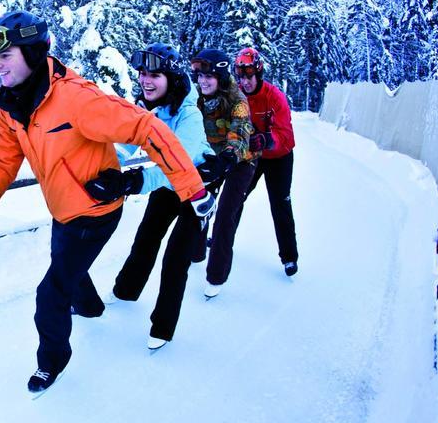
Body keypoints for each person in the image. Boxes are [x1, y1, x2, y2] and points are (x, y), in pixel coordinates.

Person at [0, 10, 215, 395]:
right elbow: (2, 162)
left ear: (33, 54)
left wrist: (194, 191)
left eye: (5, 54)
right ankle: (88, 305)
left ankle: (51, 363)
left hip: (96, 212)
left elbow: (146, 127)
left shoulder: (77, 100)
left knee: (50, 292)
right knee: (67, 265)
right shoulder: (13, 107)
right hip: (63, 210)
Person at [92, 43, 215, 350]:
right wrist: (98, 165)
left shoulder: (189, 116)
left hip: (196, 187)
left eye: (155, 74)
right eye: (143, 73)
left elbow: (178, 164)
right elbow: (124, 147)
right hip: (166, 185)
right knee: (146, 239)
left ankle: (163, 327)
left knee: (176, 258)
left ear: (171, 78)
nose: (146, 80)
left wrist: (135, 181)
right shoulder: (152, 111)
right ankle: (125, 291)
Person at [190, 48, 255, 298]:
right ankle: (195, 252)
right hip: (212, 156)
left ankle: (216, 276)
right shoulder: (197, 96)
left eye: (209, 77)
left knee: (226, 213)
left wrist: (228, 156)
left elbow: (240, 129)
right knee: (198, 204)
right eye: (200, 76)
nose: (203, 81)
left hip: (241, 159)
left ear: (220, 76)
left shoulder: (237, 99)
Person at [234, 47, 299, 276]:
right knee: (235, 196)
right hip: (254, 156)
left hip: (279, 158)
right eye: (241, 77)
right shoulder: (237, 95)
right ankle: (223, 240)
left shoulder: (275, 97)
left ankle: (289, 257)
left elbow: (286, 136)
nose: (245, 81)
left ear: (258, 73)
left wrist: (266, 139)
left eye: (249, 76)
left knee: (280, 203)